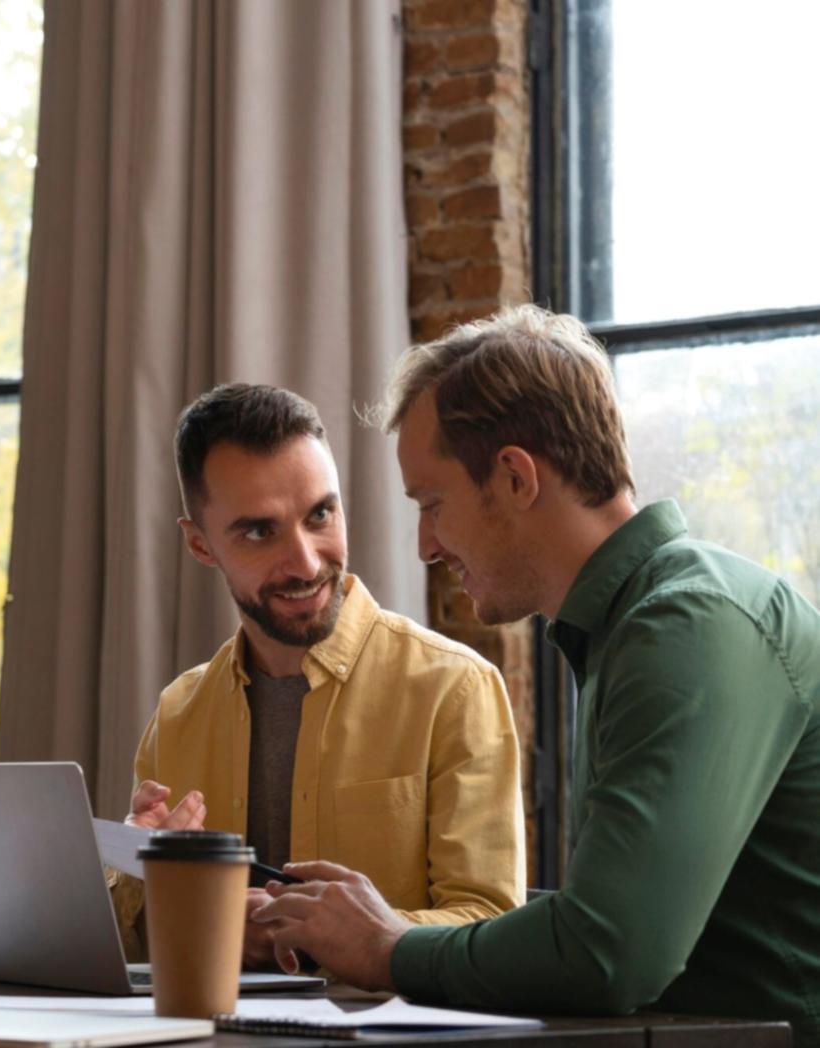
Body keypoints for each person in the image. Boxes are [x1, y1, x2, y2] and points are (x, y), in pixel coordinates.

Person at [252, 306, 820, 1043]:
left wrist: (386, 948)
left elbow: (607, 951)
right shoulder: (635, 624)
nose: (424, 545)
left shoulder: (686, 624)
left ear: (515, 477)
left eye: (432, 504)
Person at [110, 383, 526, 967]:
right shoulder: (178, 713)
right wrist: (142, 870)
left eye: (320, 515)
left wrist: (313, 932)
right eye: (259, 531)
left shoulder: (454, 690)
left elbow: (489, 926)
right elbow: (133, 949)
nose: (305, 562)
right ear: (200, 544)